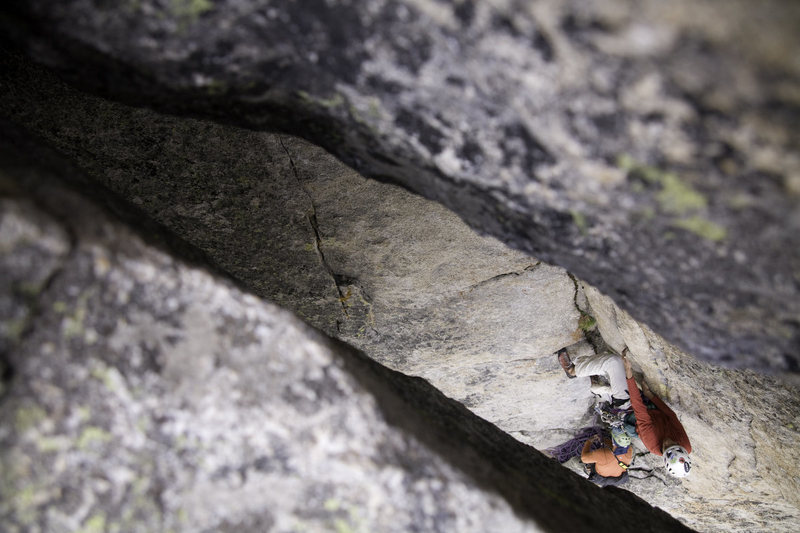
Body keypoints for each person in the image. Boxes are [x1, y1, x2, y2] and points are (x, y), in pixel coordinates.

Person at [621, 349, 692, 478]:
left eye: (666, 447)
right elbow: (671, 416)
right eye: (673, 444)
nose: (668, 441)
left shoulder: (652, 443)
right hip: (655, 413)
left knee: (615, 374)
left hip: (636, 420)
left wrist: (629, 373)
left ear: (664, 455)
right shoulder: (686, 445)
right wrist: (651, 396)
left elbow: (639, 410)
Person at [557, 347, 630, 408]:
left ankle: (573, 371)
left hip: (625, 402)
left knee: (613, 362)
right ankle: (596, 380)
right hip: (631, 397)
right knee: (614, 363)